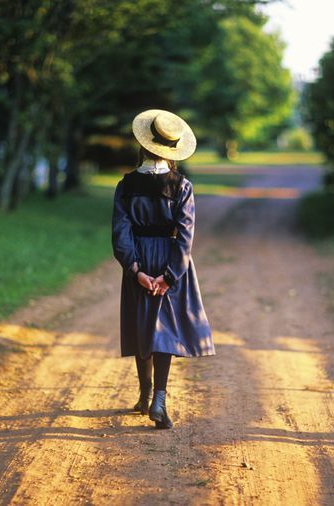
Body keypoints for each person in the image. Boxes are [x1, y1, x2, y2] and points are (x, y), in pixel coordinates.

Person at [112, 109, 215, 429]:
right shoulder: (181, 185)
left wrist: (135, 269)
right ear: (172, 150)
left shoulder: (126, 185)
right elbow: (186, 235)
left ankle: (144, 396)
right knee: (164, 330)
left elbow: (120, 232)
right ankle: (158, 397)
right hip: (169, 258)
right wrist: (170, 275)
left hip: (139, 258)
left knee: (141, 325)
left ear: (143, 145)